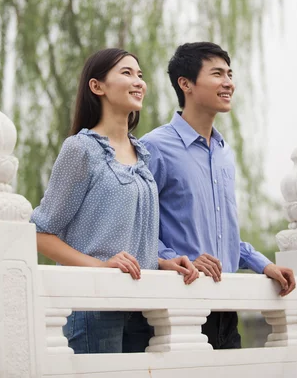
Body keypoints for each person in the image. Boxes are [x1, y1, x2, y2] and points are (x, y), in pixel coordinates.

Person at [31, 48, 198, 354]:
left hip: (142, 306)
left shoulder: (142, 155)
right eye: (126, 73)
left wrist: (162, 262)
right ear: (97, 87)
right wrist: (100, 266)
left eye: (140, 75)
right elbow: (40, 233)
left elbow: (123, 237)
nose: (138, 82)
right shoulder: (81, 149)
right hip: (94, 308)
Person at [141, 42, 296, 349]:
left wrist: (263, 265)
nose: (229, 83)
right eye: (217, 74)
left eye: (229, 74)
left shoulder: (223, 152)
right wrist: (178, 260)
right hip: (179, 304)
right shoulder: (155, 147)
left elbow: (222, 233)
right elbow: (137, 227)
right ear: (185, 84)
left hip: (227, 306)